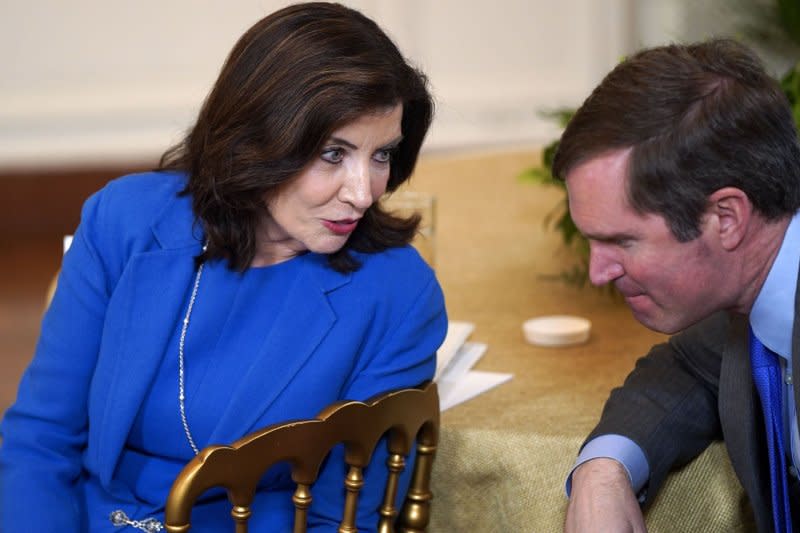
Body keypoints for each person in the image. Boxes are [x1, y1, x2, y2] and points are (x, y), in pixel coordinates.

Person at [0, 3, 447, 532]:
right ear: (259, 137)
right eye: (333, 153)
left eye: (381, 155)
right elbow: (41, 439)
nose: (362, 193)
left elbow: (341, 519)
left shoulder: (397, 293)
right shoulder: (124, 222)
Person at [554, 38, 800, 533]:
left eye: (621, 240)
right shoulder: (758, 297)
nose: (597, 272)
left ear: (726, 217)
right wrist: (605, 469)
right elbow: (690, 367)